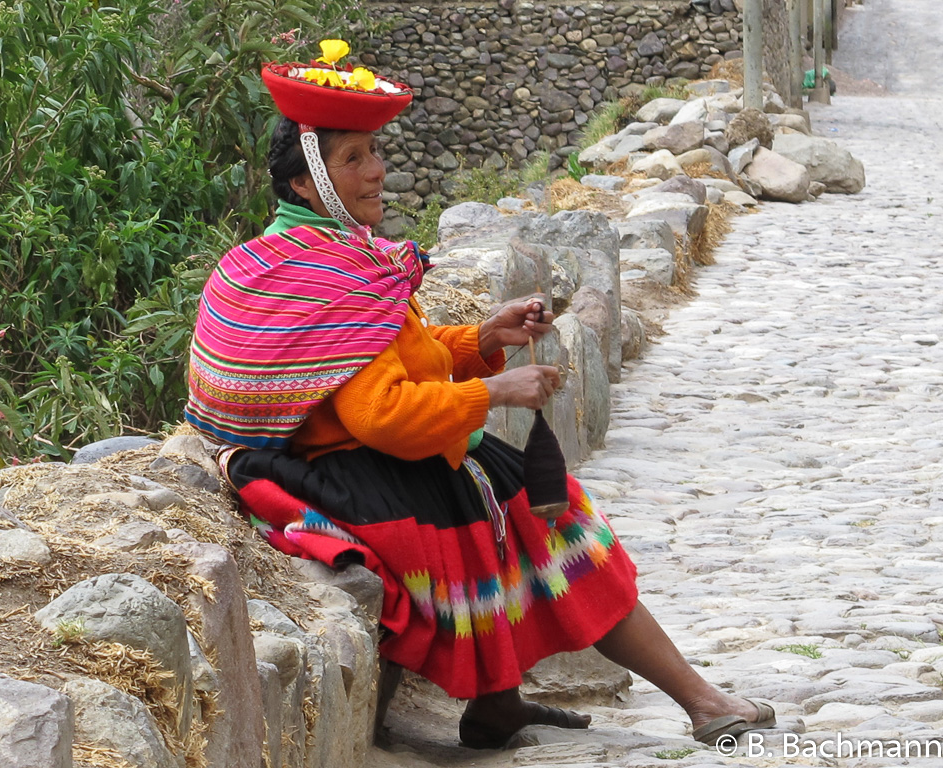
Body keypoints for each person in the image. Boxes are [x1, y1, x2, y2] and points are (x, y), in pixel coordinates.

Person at [185, 40, 776, 749]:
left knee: (514, 500)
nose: (377, 171)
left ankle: (500, 706)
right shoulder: (326, 275)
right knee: (556, 528)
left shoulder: (297, 257)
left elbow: (397, 357)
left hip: (348, 462)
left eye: (375, 152)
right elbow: (382, 414)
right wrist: (498, 388)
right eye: (353, 159)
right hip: (353, 473)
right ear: (307, 183)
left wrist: (481, 337)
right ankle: (701, 700)